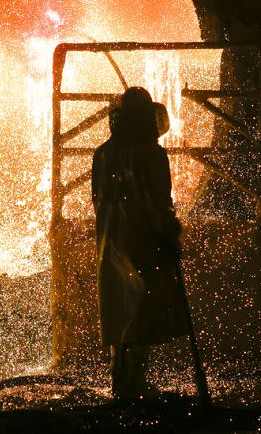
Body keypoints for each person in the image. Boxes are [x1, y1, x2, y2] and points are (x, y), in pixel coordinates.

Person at [91, 87, 189, 399]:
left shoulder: (102, 154)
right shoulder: (152, 154)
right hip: (142, 241)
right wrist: (169, 234)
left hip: (110, 242)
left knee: (118, 308)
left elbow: (97, 200)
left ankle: (122, 381)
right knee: (142, 307)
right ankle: (135, 381)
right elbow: (159, 202)